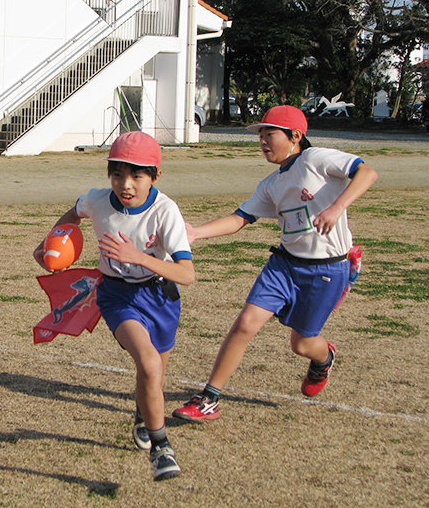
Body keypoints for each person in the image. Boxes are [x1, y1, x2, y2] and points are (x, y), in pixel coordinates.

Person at [172, 105, 378, 423]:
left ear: (295, 136)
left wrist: (337, 208)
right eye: (261, 136)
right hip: (283, 265)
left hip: (327, 269)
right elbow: (240, 218)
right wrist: (196, 232)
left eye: (270, 135)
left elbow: (367, 172)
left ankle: (324, 357)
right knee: (245, 324)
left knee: (303, 344)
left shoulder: (317, 159)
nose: (264, 142)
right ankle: (209, 398)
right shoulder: (271, 184)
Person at [33, 131, 195, 481]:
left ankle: (143, 414)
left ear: (155, 177)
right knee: (149, 364)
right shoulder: (98, 200)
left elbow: (187, 273)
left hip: (161, 297)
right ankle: (162, 448)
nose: (126, 184)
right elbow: (75, 212)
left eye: (137, 175)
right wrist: (50, 241)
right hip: (118, 296)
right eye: (117, 174)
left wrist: (139, 257)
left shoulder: (165, 211)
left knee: (153, 375)